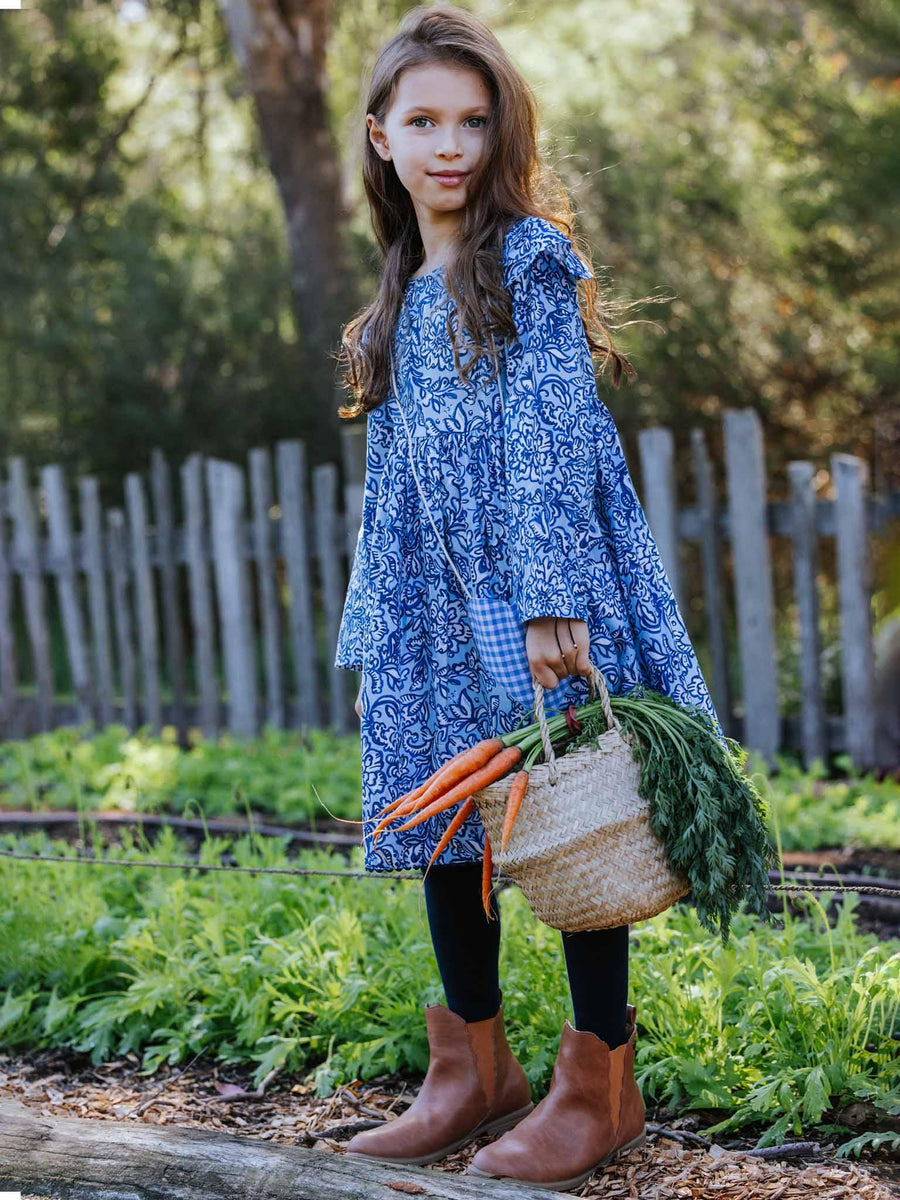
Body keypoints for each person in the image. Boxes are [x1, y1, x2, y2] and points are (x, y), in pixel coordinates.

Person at [332, 5, 723, 1191]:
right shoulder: (397, 294)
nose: (450, 143)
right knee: (448, 818)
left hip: (534, 588)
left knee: (573, 807)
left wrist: (556, 596)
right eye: (425, 121)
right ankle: (472, 1070)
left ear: (500, 134)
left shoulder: (531, 261)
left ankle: (599, 1080)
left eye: (474, 119)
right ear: (381, 138)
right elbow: (400, 485)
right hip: (435, 616)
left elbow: (555, 427)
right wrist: (379, 624)